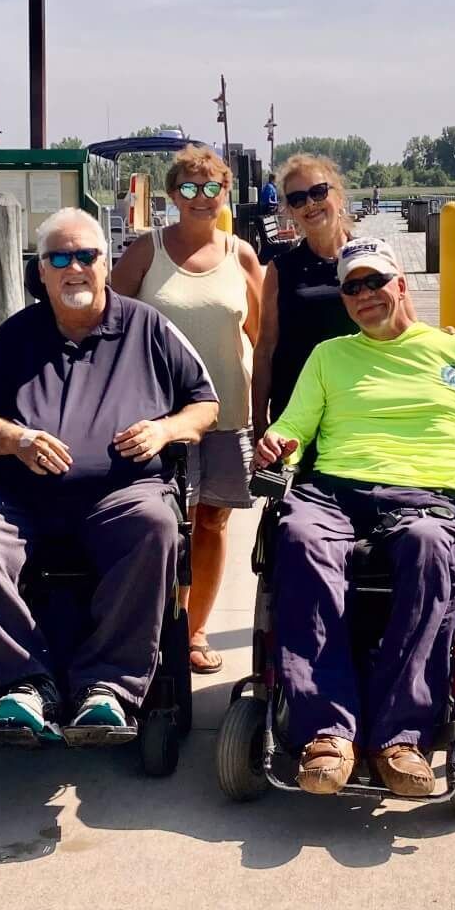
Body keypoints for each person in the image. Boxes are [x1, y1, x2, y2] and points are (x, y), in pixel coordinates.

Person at [254, 236, 455, 799]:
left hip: (429, 498)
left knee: (431, 546)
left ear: (401, 284)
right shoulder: (330, 356)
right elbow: (296, 424)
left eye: (374, 281)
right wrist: (278, 439)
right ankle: (328, 734)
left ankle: (400, 738)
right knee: (299, 535)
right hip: (334, 492)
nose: (364, 295)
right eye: (351, 287)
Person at [0, 208, 218, 736]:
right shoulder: (15, 335)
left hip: (121, 494)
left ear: (105, 264)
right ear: (41, 271)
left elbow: (205, 404)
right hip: (17, 496)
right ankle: (19, 683)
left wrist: (164, 431)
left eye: (86, 256)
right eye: (59, 258)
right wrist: (17, 439)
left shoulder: (148, 326)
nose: (75, 269)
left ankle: (108, 687)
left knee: (156, 527)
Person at [111, 145, 263, 674]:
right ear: (173, 194)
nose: (201, 198)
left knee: (211, 522)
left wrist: (266, 417)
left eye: (212, 188)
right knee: (158, 523)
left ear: (225, 193)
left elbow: (260, 340)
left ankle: (194, 630)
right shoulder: (144, 252)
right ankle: (155, 628)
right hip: (157, 420)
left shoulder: (242, 256)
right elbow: (109, 328)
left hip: (226, 416)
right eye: (190, 189)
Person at [251, 153, 355, 438]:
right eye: (297, 199)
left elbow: (404, 328)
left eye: (318, 192)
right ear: (291, 211)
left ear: (339, 196)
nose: (310, 203)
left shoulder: (371, 257)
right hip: (295, 410)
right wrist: (259, 420)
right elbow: (265, 350)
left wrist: (447, 339)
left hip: (355, 407)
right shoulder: (280, 269)